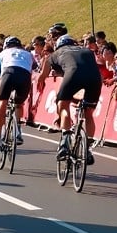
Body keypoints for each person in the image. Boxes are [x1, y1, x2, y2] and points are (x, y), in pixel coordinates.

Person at [35, 34, 102, 165]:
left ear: (58, 45)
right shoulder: (86, 50)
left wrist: (41, 82)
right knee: (89, 114)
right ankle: (87, 148)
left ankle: (65, 137)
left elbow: (43, 75)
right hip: (94, 79)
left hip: (73, 75)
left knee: (63, 104)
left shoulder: (55, 54)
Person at [0, 36, 34, 152]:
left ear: (6, 46)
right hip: (25, 77)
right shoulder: (28, 54)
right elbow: (33, 69)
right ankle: (18, 131)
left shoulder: (3, 54)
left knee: (2, 103)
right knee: (19, 103)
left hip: (8, 73)